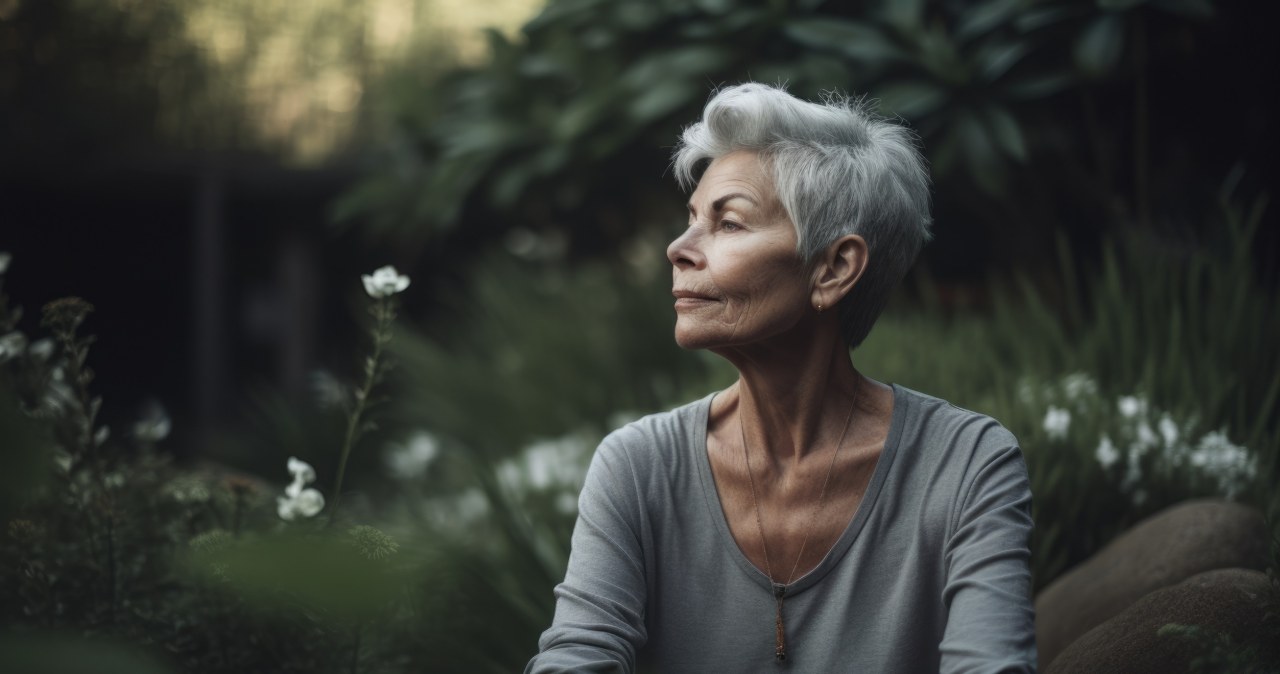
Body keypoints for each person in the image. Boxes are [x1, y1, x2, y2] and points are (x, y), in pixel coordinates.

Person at [526, 83, 1036, 673]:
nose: (677, 249)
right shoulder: (639, 467)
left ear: (833, 268)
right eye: (691, 219)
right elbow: (578, 656)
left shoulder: (967, 464)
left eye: (729, 223)